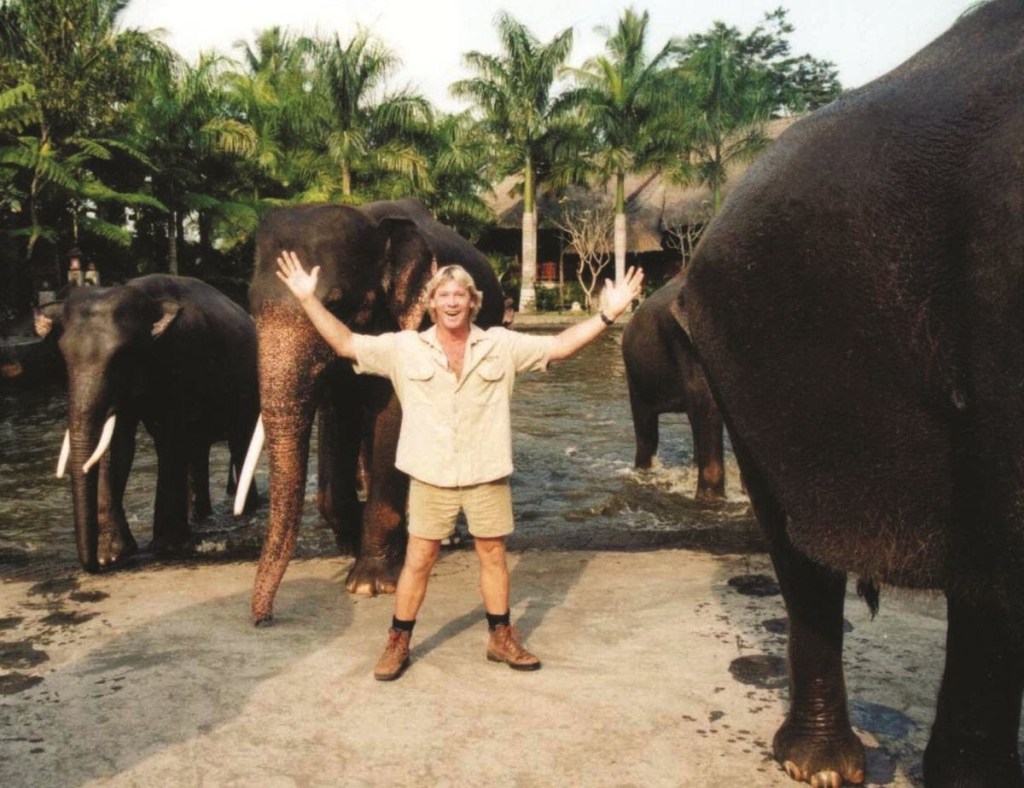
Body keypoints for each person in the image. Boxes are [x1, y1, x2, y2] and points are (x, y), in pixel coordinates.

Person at [275, 250, 644, 681]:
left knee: (493, 554)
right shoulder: (405, 348)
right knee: (418, 559)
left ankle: (500, 636)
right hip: (430, 475)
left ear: (473, 302)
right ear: (431, 303)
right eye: (444, 295)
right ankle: (398, 640)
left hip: (485, 472)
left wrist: (606, 315)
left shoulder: (501, 345)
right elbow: (346, 343)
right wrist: (308, 299)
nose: (452, 302)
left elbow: (559, 347)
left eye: (460, 295)